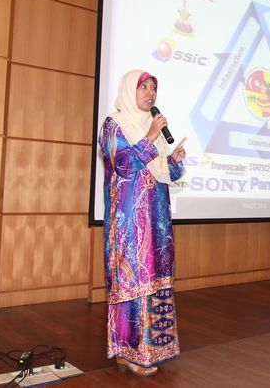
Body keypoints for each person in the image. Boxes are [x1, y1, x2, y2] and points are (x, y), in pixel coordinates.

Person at [99, 69, 186, 377]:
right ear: (129, 90)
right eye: (144, 87)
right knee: (133, 283)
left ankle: (152, 349)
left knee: (156, 280)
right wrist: (150, 136)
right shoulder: (114, 124)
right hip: (128, 224)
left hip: (157, 221)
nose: (151, 93)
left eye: (153, 88)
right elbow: (123, 164)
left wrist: (174, 160)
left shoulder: (153, 131)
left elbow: (161, 174)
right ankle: (128, 351)